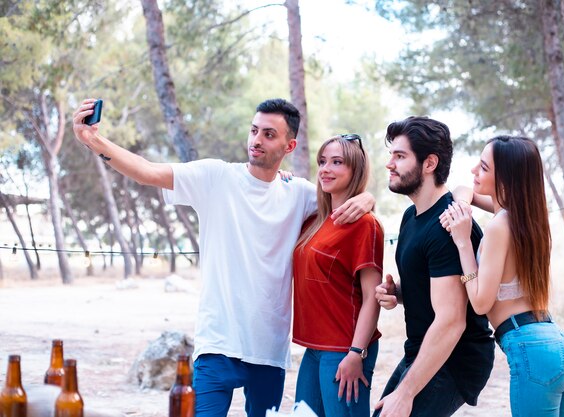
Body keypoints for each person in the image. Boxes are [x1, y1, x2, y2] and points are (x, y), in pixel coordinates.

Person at [72, 98, 374, 417]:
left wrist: (367, 198)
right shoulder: (215, 177)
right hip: (217, 345)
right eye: (254, 130)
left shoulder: (298, 194)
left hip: (268, 352)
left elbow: (344, 196)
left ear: (290, 146)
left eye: (269, 134)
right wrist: (93, 139)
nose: (257, 140)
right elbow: (147, 172)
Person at [440, 136, 564, 417]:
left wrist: (463, 241)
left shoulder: (499, 226)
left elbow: (481, 304)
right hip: (561, 345)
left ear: (505, 177)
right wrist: (463, 206)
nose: (473, 171)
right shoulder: (526, 217)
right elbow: (461, 189)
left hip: (533, 349)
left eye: (483, 167)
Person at [373, 116, 495, 417]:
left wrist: (406, 393)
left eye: (400, 156)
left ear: (429, 164)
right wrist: (399, 292)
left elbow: (452, 320)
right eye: (391, 155)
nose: (390, 164)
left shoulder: (447, 225)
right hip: (422, 348)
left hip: (455, 357)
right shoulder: (410, 217)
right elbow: (436, 287)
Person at [292, 134, 384, 417]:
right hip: (314, 349)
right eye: (322, 161)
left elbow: (372, 297)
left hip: (345, 350)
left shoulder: (365, 225)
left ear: (355, 170)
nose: (325, 169)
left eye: (336, 162)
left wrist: (356, 353)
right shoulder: (314, 220)